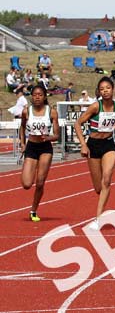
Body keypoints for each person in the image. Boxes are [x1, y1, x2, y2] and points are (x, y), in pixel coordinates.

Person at [73, 77, 115, 230]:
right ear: (99, 91)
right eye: (102, 89)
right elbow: (78, 123)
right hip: (93, 146)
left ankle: (98, 218)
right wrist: (83, 145)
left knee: (107, 179)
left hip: (109, 145)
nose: (105, 91)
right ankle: (101, 207)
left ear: (112, 89)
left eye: (108, 88)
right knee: (98, 187)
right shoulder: (95, 107)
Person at [19, 84, 60, 222]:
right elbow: (22, 126)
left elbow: (56, 135)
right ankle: (29, 167)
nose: (37, 97)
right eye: (35, 95)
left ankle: (33, 210)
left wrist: (48, 137)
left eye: (40, 95)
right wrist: (23, 143)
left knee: (40, 182)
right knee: (26, 184)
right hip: (31, 147)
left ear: (44, 97)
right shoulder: (26, 111)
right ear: (32, 96)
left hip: (45, 148)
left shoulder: (51, 112)